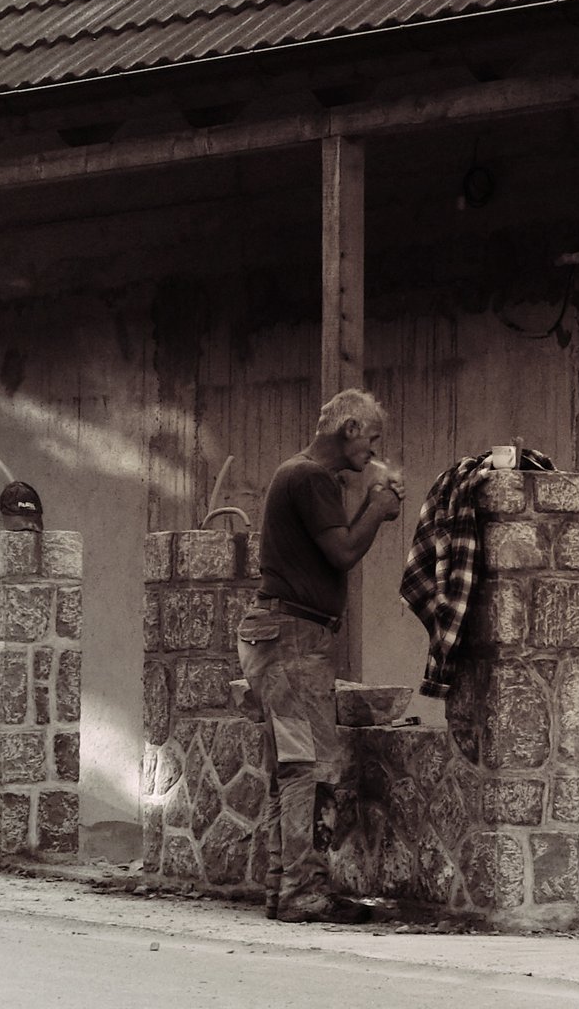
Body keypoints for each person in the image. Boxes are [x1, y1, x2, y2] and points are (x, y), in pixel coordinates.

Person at [239, 387, 404, 925]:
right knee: (307, 766)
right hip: (292, 639)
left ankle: (283, 885)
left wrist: (371, 503)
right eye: (371, 437)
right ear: (349, 429)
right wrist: (378, 507)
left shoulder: (305, 476)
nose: (373, 450)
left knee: (290, 767)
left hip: (280, 635)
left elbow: (334, 543)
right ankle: (303, 891)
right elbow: (343, 551)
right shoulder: (310, 477)